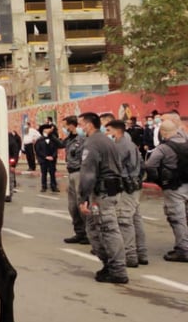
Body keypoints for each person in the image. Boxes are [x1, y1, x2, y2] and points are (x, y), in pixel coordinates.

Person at [77, 113, 127, 284]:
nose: (80, 128)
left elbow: (88, 173)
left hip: (102, 193)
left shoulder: (93, 143)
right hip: (107, 190)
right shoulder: (106, 140)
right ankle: (109, 265)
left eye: (81, 124)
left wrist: (83, 198)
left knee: (108, 230)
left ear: (89, 125)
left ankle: (118, 270)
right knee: (94, 230)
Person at [144, 114, 188, 262]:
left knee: (177, 218)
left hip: (173, 186)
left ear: (163, 132)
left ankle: (183, 249)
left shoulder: (163, 148)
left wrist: (157, 179)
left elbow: (150, 165)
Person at [106, 119, 147, 267]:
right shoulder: (131, 145)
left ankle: (130, 256)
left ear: (116, 131)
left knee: (124, 220)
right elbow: (142, 165)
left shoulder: (120, 146)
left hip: (126, 186)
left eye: (108, 131)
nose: (107, 134)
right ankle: (141, 253)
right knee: (135, 219)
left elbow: (114, 167)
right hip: (134, 184)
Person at [60, 117, 90, 245]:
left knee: (81, 204)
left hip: (79, 172)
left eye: (66, 126)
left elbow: (86, 157)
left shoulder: (82, 139)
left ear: (72, 126)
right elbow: (60, 145)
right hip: (71, 172)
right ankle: (79, 233)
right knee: (72, 206)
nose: (64, 129)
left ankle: (89, 234)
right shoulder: (69, 139)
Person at [35, 125, 61, 193]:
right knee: (44, 173)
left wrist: (53, 156)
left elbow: (56, 149)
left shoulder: (53, 139)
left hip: (52, 159)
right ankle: (44, 186)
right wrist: (45, 157)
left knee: (52, 173)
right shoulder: (39, 140)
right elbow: (38, 150)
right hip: (43, 160)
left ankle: (54, 186)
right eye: (46, 129)